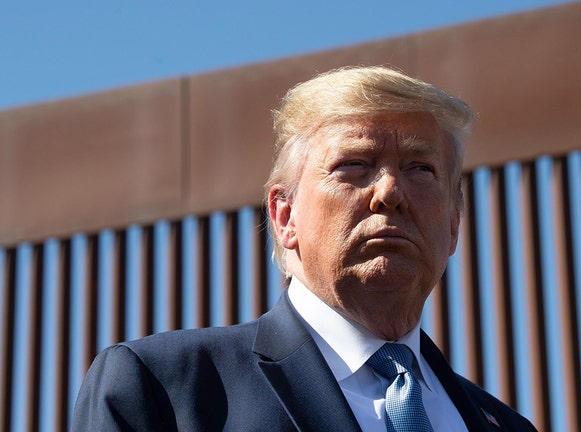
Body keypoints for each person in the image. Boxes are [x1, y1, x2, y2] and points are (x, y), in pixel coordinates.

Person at [71, 65, 538, 431]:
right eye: (355, 164)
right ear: (284, 215)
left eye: (421, 168)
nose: (390, 191)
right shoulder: (167, 390)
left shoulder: (508, 425)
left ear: (454, 222)